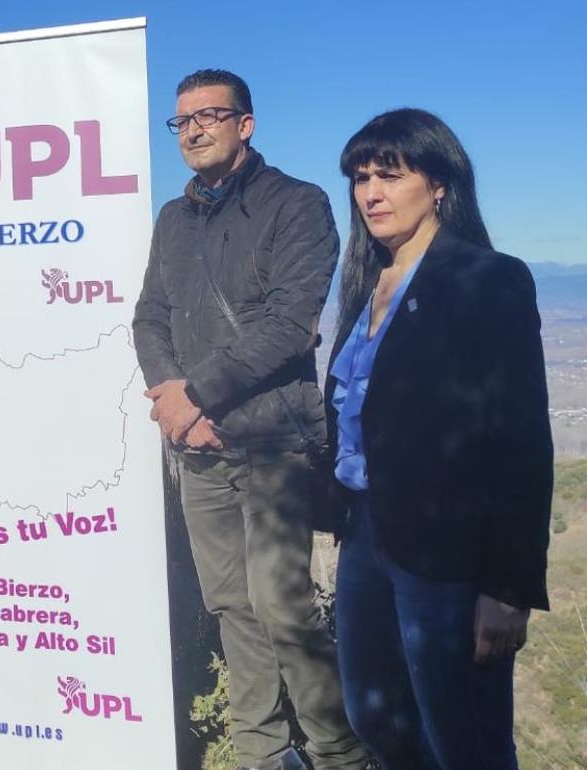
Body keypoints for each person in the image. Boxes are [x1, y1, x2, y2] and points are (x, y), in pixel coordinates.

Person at [133, 69, 366, 770]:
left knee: (284, 607)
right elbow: (150, 316)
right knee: (233, 606)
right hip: (197, 446)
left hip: (272, 443)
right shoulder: (173, 220)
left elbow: (289, 325)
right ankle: (264, 751)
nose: (194, 130)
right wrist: (174, 404)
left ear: (246, 124)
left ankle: (338, 753)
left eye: (210, 115)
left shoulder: (298, 205)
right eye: (182, 121)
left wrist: (194, 396)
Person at [327, 108, 551, 770]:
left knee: (465, 740)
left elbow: (520, 439)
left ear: (440, 184)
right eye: (362, 178)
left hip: (449, 552)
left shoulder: (486, 279)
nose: (371, 193)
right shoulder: (366, 282)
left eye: (390, 176)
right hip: (365, 532)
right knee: (375, 716)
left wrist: (509, 588)